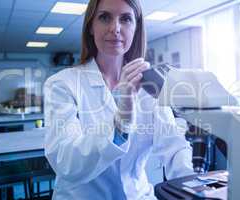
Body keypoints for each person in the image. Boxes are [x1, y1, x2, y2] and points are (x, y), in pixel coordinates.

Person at [43, 0, 193, 199]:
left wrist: (194, 188)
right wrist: (121, 121)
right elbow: (66, 164)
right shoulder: (62, 84)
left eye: (126, 19)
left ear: (136, 28)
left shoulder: (148, 83)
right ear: (90, 27)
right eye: (105, 17)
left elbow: (173, 147)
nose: (115, 28)